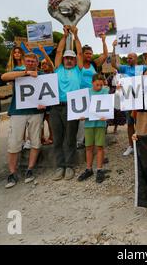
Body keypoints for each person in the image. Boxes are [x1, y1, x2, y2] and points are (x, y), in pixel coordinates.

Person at [1, 53, 46, 188]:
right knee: (14, 142)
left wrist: (45, 104)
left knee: (35, 141)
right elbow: (4, 77)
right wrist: (25, 73)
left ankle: (30, 169)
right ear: (24, 62)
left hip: (36, 113)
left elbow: (48, 93)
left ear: (37, 63)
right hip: (18, 112)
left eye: (33, 61)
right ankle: (12, 173)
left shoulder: (42, 75)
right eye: (28, 61)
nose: (31, 63)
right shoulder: (18, 72)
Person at [51, 25, 84, 181]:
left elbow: (80, 52)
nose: (69, 60)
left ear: (75, 60)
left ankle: (69, 165)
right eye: (67, 58)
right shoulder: (57, 69)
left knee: (70, 138)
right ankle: (60, 166)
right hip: (56, 107)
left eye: (71, 58)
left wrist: (76, 36)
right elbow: (58, 51)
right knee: (57, 138)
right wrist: (64, 36)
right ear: (63, 59)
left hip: (73, 107)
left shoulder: (78, 69)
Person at [111, 43, 147, 156]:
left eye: (130, 58)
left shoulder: (142, 67)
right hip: (127, 99)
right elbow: (113, 64)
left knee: (140, 123)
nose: (128, 59)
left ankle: (141, 146)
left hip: (140, 99)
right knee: (130, 123)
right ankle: (131, 146)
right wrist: (114, 48)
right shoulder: (124, 68)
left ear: (136, 58)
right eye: (127, 58)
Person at [76, 34, 109, 149]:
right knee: (82, 119)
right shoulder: (77, 64)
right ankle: (80, 142)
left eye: (90, 53)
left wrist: (104, 41)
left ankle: (95, 143)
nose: (89, 55)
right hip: (81, 94)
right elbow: (78, 52)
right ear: (82, 54)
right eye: (87, 53)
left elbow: (105, 55)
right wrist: (76, 36)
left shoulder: (94, 64)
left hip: (94, 94)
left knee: (96, 117)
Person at [77, 74, 111, 183]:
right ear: (92, 83)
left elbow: (110, 103)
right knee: (88, 147)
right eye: (97, 85)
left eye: (101, 84)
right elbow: (81, 106)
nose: (99, 87)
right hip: (88, 124)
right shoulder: (86, 92)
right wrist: (81, 114)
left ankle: (99, 169)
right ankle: (89, 168)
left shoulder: (105, 91)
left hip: (100, 123)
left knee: (100, 146)